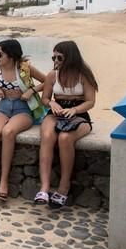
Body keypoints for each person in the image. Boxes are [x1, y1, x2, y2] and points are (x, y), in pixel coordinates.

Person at [0, 39, 45, 202]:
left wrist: (31, 90)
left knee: (8, 132)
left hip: (23, 109)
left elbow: (47, 80)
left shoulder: (24, 68)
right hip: (4, 108)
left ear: (11, 55)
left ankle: (4, 182)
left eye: (0, 53)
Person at [35, 40, 98, 208]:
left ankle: (64, 187)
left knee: (64, 138)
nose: (55, 61)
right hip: (56, 112)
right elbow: (45, 98)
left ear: (70, 57)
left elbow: (91, 101)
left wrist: (75, 110)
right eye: (53, 57)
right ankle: (45, 187)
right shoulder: (52, 75)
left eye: (59, 57)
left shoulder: (83, 75)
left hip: (79, 114)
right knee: (47, 136)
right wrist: (52, 104)